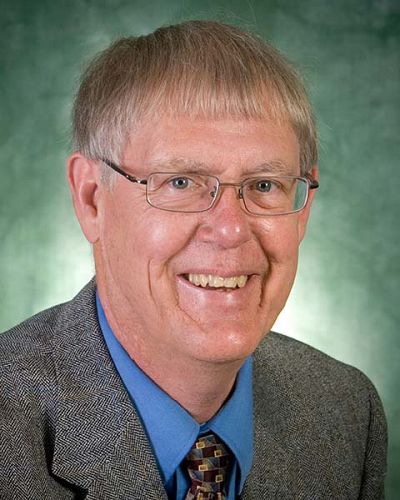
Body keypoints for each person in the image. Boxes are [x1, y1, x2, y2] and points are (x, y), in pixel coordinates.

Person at [0, 20, 387, 500]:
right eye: (180, 182)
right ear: (92, 199)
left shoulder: (346, 411)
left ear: (302, 209)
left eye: (264, 185)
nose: (230, 230)